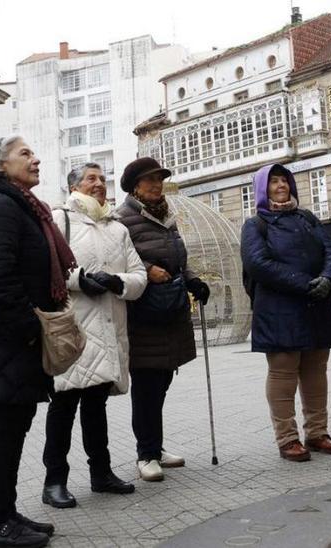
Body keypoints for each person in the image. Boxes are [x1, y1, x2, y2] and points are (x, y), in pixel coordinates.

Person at [0, 135, 65, 547]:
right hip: (4, 337)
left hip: (11, 337)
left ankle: (5, 512)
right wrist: (31, 329)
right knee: (2, 428)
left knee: (13, 426)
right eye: (25, 154)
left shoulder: (18, 205)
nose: (36, 159)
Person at [40, 162, 146, 509]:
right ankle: (54, 480)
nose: (99, 184)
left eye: (102, 179)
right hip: (74, 331)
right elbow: (47, 265)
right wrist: (80, 279)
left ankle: (101, 473)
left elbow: (139, 275)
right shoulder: (60, 219)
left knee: (96, 407)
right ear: (74, 186)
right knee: (64, 407)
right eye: (91, 179)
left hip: (110, 328)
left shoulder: (117, 228)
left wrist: (119, 283)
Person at [241, 163, 331, 462]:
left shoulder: (308, 218)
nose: (281, 186)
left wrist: (328, 279)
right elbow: (258, 265)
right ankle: (287, 438)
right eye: (273, 182)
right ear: (263, 188)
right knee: (283, 374)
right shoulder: (255, 225)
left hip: (317, 307)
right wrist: (305, 284)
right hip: (279, 312)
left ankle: (317, 432)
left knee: (315, 374)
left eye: (284, 180)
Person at [116, 157, 210, 482]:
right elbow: (118, 262)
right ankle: (146, 454)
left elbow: (179, 260)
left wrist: (194, 280)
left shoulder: (167, 217)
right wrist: (145, 270)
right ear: (134, 186)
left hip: (170, 312)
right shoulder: (122, 219)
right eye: (148, 180)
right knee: (146, 386)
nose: (156, 184)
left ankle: (155, 446)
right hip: (143, 317)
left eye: (159, 178)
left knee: (162, 383)